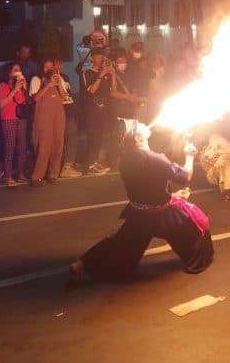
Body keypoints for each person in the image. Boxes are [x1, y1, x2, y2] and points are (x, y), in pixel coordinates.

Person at [68, 120, 213, 283]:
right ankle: (198, 262)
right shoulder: (156, 159)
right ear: (137, 138)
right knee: (197, 228)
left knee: (119, 242)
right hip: (161, 214)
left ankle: (81, 263)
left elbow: (147, 188)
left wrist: (172, 195)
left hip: (138, 213)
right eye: (137, 125)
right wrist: (189, 157)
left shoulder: (126, 159)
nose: (143, 123)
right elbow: (185, 176)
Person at [28, 59, 66, 186]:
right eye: (46, 67)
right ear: (41, 68)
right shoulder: (36, 80)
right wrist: (48, 84)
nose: (49, 69)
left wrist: (58, 80)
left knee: (58, 145)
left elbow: (64, 96)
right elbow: (35, 98)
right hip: (43, 116)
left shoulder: (57, 78)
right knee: (44, 146)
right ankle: (37, 176)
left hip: (58, 115)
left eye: (51, 67)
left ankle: (53, 174)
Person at [80, 49, 113, 174]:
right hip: (91, 109)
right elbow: (91, 91)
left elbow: (111, 90)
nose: (100, 59)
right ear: (92, 58)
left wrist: (112, 73)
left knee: (99, 137)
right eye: (98, 57)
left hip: (103, 110)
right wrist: (101, 74)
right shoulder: (87, 73)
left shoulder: (106, 74)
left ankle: (95, 162)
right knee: (92, 137)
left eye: (102, 57)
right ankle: (89, 164)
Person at [0, 63, 28, 186]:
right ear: (9, 72)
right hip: (8, 118)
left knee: (21, 147)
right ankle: (8, 176)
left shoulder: (19, 85)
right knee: (10, 147)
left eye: (19, 69)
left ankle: (21, 174)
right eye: (15, 70)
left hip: (20, 118)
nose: (18, 71)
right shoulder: (3, 85)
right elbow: (2, 104)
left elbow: (21, 101)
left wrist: (22, 87)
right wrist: (15, 89)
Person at [55, 59, 82, 178]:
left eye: (61, 63)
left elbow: (68, 94)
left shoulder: (65, 76)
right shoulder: (52, 79)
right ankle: (61, 167)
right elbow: (61, 95)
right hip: (60, 112)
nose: (60, 65)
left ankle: (68, 165)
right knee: (62, 140)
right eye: (57, 63)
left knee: (72, 138)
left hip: (70, 111)